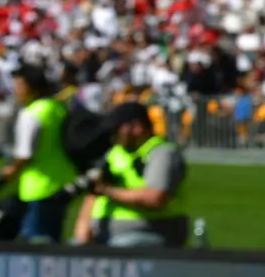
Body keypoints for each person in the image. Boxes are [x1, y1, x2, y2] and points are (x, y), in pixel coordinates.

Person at [0, 64, 79, 243]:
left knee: (37, 243)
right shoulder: (56, 107)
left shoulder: (31, 114)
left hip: (39, 186)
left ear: (32, 87)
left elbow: (24, 155)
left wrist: (0, 179)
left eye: (19, 86)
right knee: (54, 239)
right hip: (62, 182)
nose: (16, 91)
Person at [75, 102, 190, 248]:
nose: (113, 135)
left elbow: (155, 198)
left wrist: (107, 190)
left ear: (137, 127)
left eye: (117, 129)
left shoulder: (162, 153)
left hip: (150, 232)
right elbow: (93, 193)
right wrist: (84, 228)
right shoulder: (115, 153)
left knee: (118, 249)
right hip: (104, 234)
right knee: (70, 250)